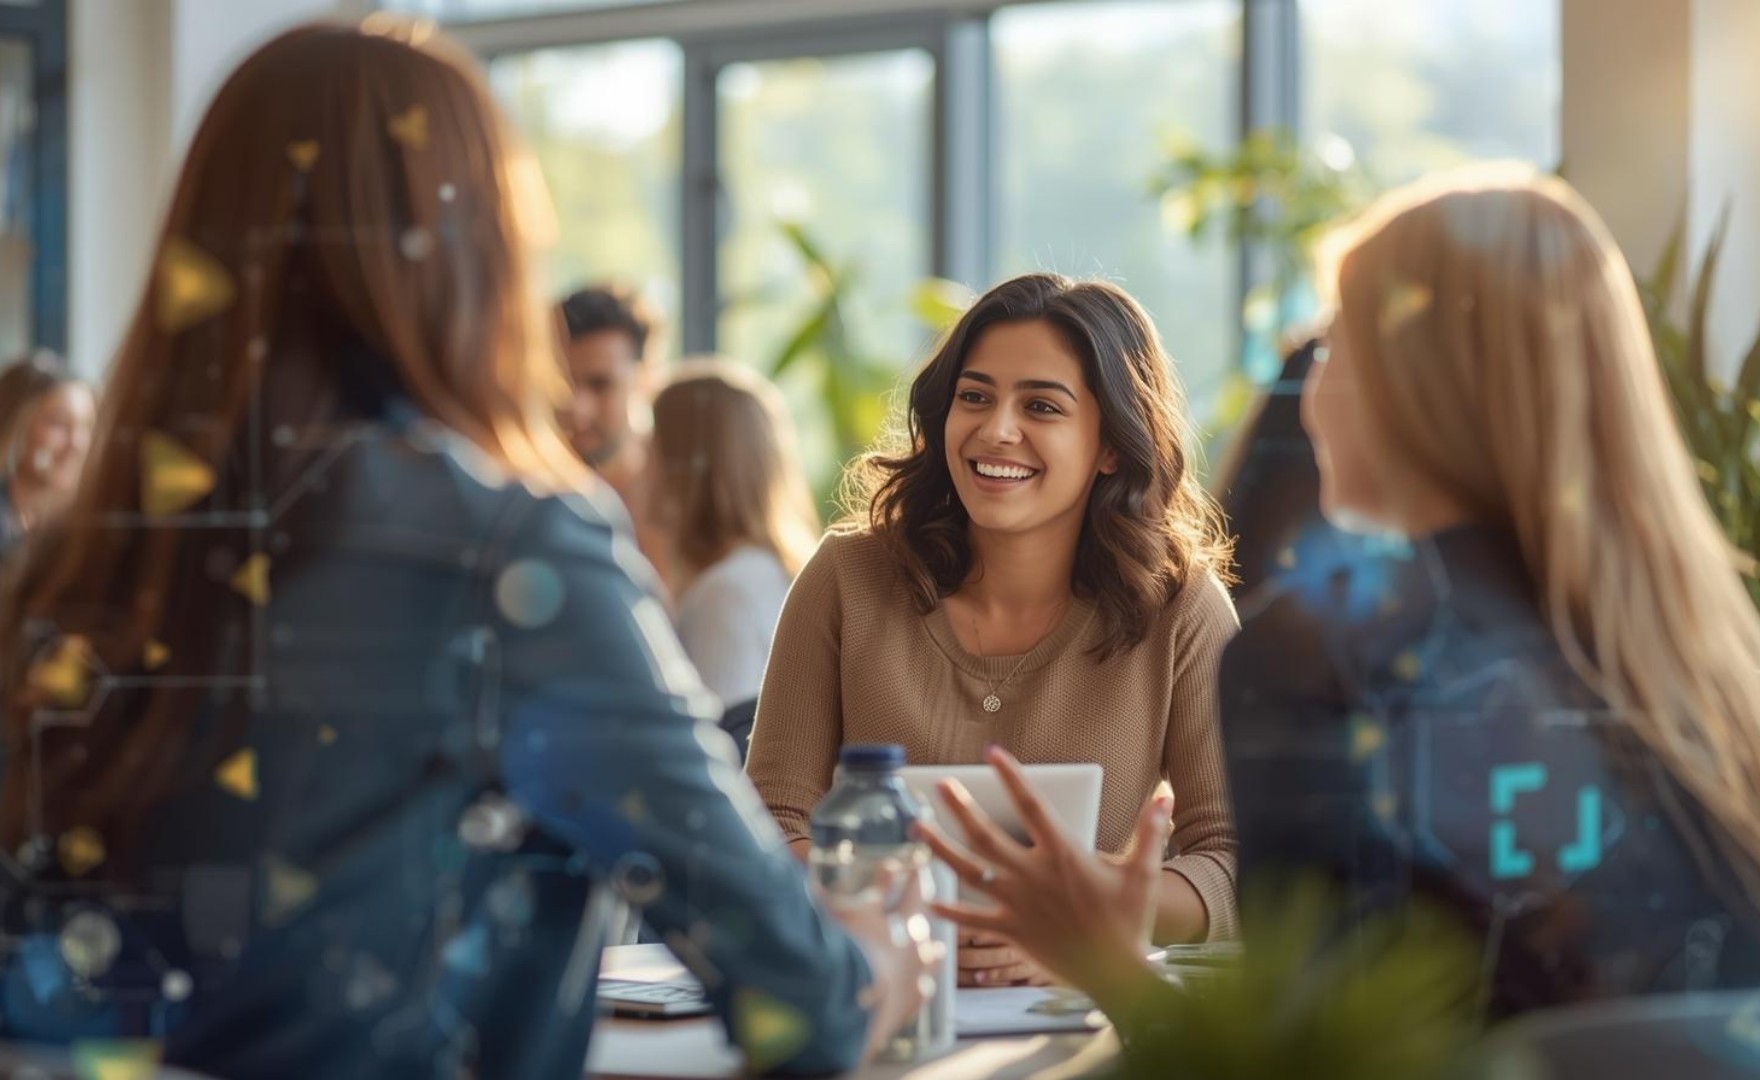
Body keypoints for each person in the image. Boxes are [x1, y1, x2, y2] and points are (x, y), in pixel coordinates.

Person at [0, 20, 926, 1078]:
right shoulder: (513, 557)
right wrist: (874, 957)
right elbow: (797, 1005)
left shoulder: (70, 569)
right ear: (473, 249)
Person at [917, 166, 1760, 1024]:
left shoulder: (1320, 653)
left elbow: (1304, 1061)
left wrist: (1098, 955)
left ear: (1416, 385)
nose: (1309, 391)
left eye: (1335, 342)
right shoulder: (1710, 666)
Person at [745, 272, 1241, 988]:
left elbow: (1232, 857)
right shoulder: (846, 578)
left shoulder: (1181, 608)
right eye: (973, 397)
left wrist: (1089, 920)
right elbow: (770, 822)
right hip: (870, 998)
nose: (994, 428)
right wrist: (890, 915)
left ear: (1110, 445)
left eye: (1041, 405)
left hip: (1070, 1030)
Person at [645, 359, 820, 752]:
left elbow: (719, 752)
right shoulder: (768, 573)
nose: (642, 463)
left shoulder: (726, 594)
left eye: (653, 443)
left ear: (686, 463)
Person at [557, 283, 668, 576]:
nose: (578, 408)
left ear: (645, 379)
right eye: (563, 383)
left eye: (600, 384)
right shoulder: (531, 500)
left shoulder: (685, 498)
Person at [0, 350, 95, 553]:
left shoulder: (98, 525)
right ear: (15, 426)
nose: (77, 443)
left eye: (88, 425)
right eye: (58, 423)